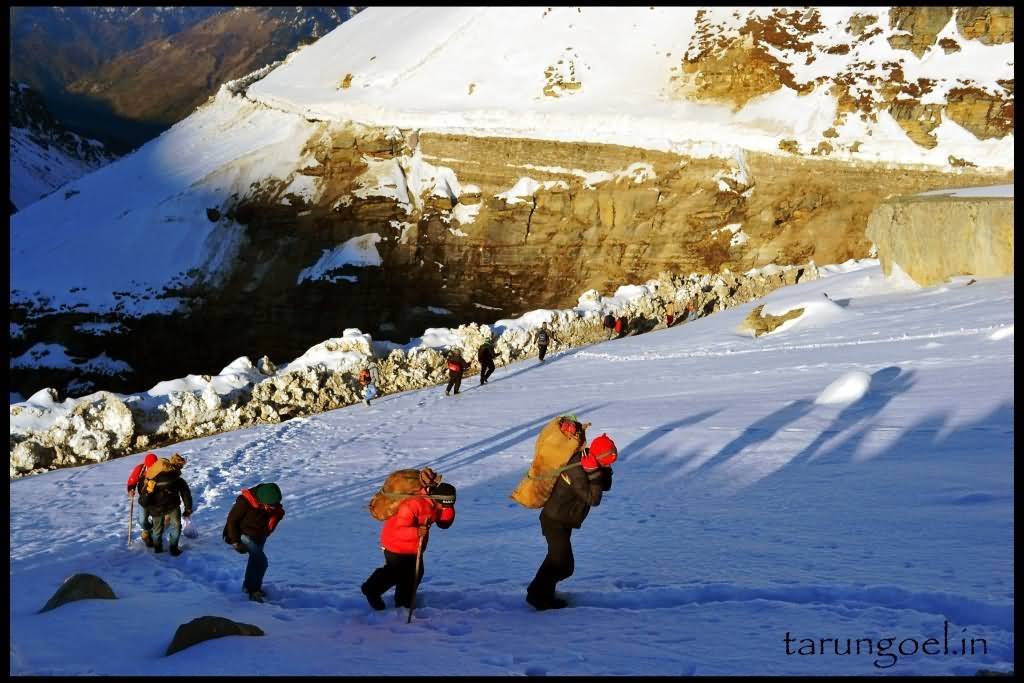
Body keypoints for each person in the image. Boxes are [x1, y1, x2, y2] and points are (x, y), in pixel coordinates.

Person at [526, 434, 617, 611]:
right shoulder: (576, 470)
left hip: (564, 521)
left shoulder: (590, 463)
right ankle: (537, 596)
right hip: (554, 521)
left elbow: (605, 485)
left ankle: (541, 594)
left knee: (559, 562)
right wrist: (593, 473)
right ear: (598, 456)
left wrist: (600, 470)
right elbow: (593, 498)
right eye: (607, 461)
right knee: (562, 565)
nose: (609, 465)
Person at [361, 478, 457, 610]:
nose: (443, 508)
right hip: (395, 545)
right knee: (396, 572)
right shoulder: (412, 504)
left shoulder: (438, 504)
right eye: (443, 505)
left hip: (414, 548)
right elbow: (399, 530)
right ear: (435, 498)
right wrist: (417, 531)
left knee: (414, 575)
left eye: (448, 505)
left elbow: (444, 523)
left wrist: (448, 509)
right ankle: (371, 589)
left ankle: (403, 604)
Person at [222, 482, 285, 603]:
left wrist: (267, 531)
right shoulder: (244, 503)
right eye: (269, 505)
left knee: (254, 563)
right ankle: (253, 590)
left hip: (260, 535)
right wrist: (235, 542)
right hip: (244, 535)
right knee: (261, 562)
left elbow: (275, 516)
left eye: (274, 505)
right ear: (262, 500)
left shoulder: (271, 502)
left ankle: (250, 588)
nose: (272, 507)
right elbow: (232, 521)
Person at [139, 453, 193, 556]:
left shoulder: (152, 477)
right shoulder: (177, 478)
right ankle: (173, 548)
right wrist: (188, 508)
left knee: (157, 530)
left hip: (156, 507)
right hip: (172, 506)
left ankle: (158, 548)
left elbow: (142, 491)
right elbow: (185, 493)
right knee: (176, 526)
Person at [127, 452, 158, 545]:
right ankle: (147, 531)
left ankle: (152, 536)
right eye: (150, 466)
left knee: (157, 520)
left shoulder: (160, 468)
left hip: (157, 498)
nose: (152, 468)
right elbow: (132, 481)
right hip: (144, 499)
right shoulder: (140, 469)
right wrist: (131, 490)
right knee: (142, 520)